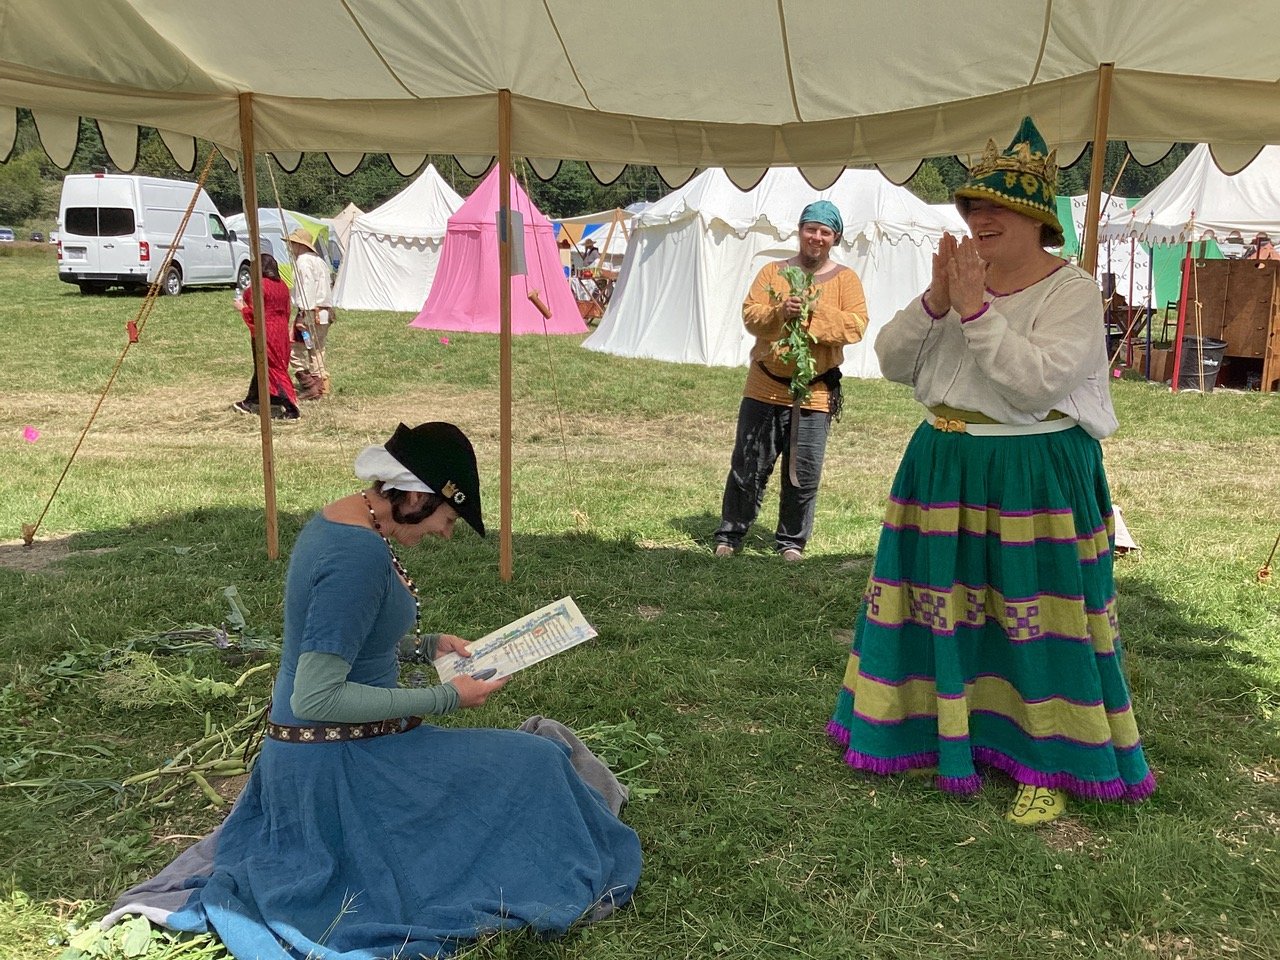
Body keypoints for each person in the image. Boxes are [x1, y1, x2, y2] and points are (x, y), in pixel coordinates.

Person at [104, 422, 643, 957]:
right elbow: (316, 698)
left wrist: (423, 647)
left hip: (346, 746)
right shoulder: (356, 556)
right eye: (447, 519)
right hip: (337, 765)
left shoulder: (344, 520)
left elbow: (341, 636)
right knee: (535, 762)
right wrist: (449, 697)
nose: (445, 534)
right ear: (415, 496)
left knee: (525, 762)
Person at [828, 117, 1155, 825]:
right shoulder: (956, 284)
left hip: (1030, 469)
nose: (980, 218)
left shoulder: (1071, 291)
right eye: (972, 206)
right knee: (942, 603)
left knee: (1032, 613)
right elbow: (892, 362)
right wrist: (935, 302)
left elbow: (1034, 385)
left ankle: (1049, 759)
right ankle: (942, 730)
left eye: (996, 207)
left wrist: (975, 309)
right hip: (943, 462)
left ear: (1038, 219)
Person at [712, 200, 868, 561]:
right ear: (800, 231)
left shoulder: (846, 280)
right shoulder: (773, 272)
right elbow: (751, 315)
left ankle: (791, 542)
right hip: (764, 388)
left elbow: (856, 325)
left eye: (825, 232)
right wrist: (780, 312)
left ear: (835, 238)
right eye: (811, 229)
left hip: (814, 393)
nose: (817, 237)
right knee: (748, 465)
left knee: (804, 473)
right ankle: (730, 535)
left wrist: (815, 312)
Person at [231, 253, 300, 421]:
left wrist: (241, 308)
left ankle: (291, 407)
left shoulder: (258, 287)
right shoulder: (282, 285)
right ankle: (253, 400)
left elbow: (256, 313)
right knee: (265, 366)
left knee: (272, 367)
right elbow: (287, 309)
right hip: (281, 330)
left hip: (266, 331)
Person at [287, 227, 335, 400]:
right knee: (317, 350)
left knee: (295, 349)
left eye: (292, 243)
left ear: (300, 244)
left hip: (310, 313)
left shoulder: (304, 261)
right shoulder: (320, 261)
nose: (290, 247)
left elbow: (306, 288)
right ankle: (321, 385)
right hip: (323, 312)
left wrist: (302, 314)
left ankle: (310, 386)